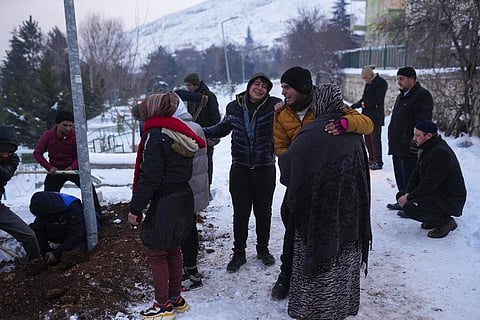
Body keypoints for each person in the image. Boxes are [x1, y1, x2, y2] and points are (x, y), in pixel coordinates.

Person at [271, 66, 374, 300]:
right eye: (282, 87)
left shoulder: (328, 104)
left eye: (287, 87)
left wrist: (347, 124)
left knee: (329, 229)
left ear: (302, 88)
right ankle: (286, 276)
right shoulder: (281, 114)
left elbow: (367, 124)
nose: (283, 91)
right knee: (294, 229)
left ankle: (327, 280)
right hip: (301, 179)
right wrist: (297, 158)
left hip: (329, 181)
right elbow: (280, 148)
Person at [127, 92, 206, 319]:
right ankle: (175, 298)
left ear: (151, 111)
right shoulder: (178, 131)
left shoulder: (155, 134)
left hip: (166, 200)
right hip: (183, 195)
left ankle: (162, 305)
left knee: (157, 251)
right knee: (172, 247)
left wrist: (135, 207)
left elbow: (150, 176)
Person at [203, 73, 282, 273]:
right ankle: (239, 253)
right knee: (241, 213)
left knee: (263, 212)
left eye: (264, 86)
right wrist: (197, 131)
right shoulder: (234, 107)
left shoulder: (275, 106)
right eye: (257, 84)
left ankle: (263, 250)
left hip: (265, 168)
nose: (260, 88)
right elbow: (221, 129)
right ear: (249, 86)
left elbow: (291, 120)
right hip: (240, 169)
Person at [397, 120, 466, 238]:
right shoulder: (428, 147)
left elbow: (429, 184)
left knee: (409, 207)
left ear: (428, 135)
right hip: (437, 193)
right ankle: (433, 219)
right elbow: (416, 175)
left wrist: (409, 197)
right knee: (400, 195)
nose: (414, 139)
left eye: (417, 135)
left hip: (449, 199)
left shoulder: (440, 153)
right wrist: (407, 193)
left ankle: (445, 221)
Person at [33, 110, 103, 215]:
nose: (68, 128)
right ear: (57, 124)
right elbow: (37, 153)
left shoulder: (75, 136)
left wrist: (72, 167)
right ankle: (46, 217)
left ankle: (97, 213)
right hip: (55, 171)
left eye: (70, 125)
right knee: (48, 195)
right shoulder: (48, 136)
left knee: (89, 188)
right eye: (65, 125)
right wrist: (49, 167)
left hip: (73, 169)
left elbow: (81, 156)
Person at [173, 100, 209, 291]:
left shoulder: (178, 128)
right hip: (196, 186)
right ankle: (191, 268)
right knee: (190, 229)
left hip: (185, 187)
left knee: (185, 232)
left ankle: (192, 273)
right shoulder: (195, 126)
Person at [387, 66, 433, 211]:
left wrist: (414, 141)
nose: (398, 82)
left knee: (411, 177)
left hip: (409, 145)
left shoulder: (422, 96)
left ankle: (411, 204)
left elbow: (422, 122)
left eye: (402, 79)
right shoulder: (402, 95)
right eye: (397, 79)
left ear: (412, 79)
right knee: (400, 176)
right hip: (397, 145)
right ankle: (402, 200)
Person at [0, 125, 42, 264]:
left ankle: (35, 266)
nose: (5, 155)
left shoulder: (12, 160)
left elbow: (5, 174)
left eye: (9, 151)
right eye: (2, 151)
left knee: (29, 235)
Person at [183, 73, 221, 195]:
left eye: (189, 85)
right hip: (194, 136)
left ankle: (206, 189)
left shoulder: (209, 96)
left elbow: (215, 118)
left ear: (195, 84)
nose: (188, 88)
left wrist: (213, 137)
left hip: (207, 136)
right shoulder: (191, 97)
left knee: (206, 164)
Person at [29, 191, 87, 265]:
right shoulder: (45, 205)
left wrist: (56, 253)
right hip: (60, 227)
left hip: (78, 233)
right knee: (33, 229)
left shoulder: (72, 206)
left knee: (78, 249)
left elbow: (77, 234)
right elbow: (39, 229)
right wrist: (46, 251)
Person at [351, 65, 388, 170]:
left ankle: (378, 161)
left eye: (365, 78)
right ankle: (371, 159)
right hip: (366, 116)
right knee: (367, 139)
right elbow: (364, 98)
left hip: (375, 116)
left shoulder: (381, 83)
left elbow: (377, 99)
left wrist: (363, 104)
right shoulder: (369, 83)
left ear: (369, 76)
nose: (364, 80)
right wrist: (355, 105)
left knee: (375, 139)